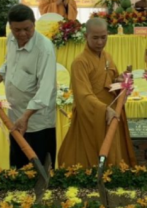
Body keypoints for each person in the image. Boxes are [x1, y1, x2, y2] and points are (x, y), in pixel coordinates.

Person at [0, 4, 57, 168]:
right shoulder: (11, 39)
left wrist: (26, 117)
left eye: (27, 29)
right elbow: (8, 65)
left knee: (40, 171)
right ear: (10, 27)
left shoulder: (44, 49)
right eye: (17, 30)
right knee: (18, 169)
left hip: (38, 123)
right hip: (15, 118)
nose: (22, 34)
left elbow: (45, 90)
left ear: (34, 24)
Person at [58, 18, 136, 168]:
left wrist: (121, 81)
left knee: (112, 155)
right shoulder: (80, 62)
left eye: (103, 37)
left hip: (110, 115)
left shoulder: (107, 57)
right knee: (90, 156)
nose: (100, 42)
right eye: (95, 38)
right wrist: (103, 109)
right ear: (86, 36)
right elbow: (83, 95)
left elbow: (111, 84)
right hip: (92, 115)